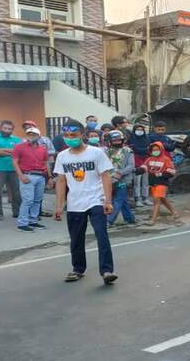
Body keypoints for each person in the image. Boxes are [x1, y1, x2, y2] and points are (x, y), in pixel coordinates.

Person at [53, 119, 118, 285]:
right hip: (74, 203)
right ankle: (78, 269)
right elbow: (61, 181)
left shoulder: (96, 153)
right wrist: (59, 206)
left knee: (101, 235)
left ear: (82, 134)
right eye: (66, 135)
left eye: (73, 135)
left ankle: (106, 271)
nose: (69, 138)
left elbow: (105, 176)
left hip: (96, 200)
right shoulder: (62, 156)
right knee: (76, 238)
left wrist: (108, 201)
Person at [12, 127, 50, 233]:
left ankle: (33, 221)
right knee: (28, 200)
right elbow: (15, 162)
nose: (31, 136)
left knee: (37, 200)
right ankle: (22, 223)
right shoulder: (19, 147)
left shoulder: (43, 148)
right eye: (29, 134)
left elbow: (45, 163)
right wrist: (21, 176)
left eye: (34, 134)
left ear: (39, 136)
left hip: (40, 176)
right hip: (27, 175)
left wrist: (49, 177)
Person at [137, 141, 179, 225]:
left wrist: (162, 174)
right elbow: (144, 166)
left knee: (156, 200)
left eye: (157, 149)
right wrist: (139, 170)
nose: (155, 151)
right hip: (153, 182)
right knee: (162, 199)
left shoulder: (166, 159)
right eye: (153, 150)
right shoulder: (149, 159)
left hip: (162, 182)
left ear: (161, 149)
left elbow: (172, 171)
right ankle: (174, 212)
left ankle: (153, 219)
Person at [0, 120, 21, 220]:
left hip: (14, 169)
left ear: (12, 130)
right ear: (1, 128)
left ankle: (17, 212)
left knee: (16, 192)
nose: (7, 130)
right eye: (5, 128)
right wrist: (12, 152)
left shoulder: (17, 139)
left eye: (10, 129)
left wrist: (1, 149)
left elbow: (19, 153)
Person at [22, 121, 55, 218]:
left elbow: (52, 151)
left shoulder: (45, 139)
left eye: (31, 127)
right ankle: (27, 215)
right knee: (29, 195)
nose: (29, 129)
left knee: (39, 193)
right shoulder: (23, 141)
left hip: (44, 169)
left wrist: (41, 151)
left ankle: (37, 212)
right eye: (27, 128)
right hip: (29, 171)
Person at [105, 130, 136, 226]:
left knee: (118, 200)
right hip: (109, 179)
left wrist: (120, 173)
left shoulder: (128, 151)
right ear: (110, 141)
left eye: (119, 140)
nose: (117, 142)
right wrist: (111, 174)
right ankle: (130, 218)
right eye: (114, 140)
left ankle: (109, 220)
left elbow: (131, 166)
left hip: (123, 179)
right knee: (123, 200)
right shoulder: (105, 151)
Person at [128, 123, 152, 207]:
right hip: (136, 162)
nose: (140, 131)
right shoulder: (131, 139)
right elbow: (134, 149)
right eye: (138, 130)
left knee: (146, 181)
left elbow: (149, 149)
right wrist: (144, 150)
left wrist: (142, 150)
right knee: (137, 182)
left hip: (146, 161)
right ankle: (137, 199)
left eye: (141, 130)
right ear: (134, 130)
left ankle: (145, 198)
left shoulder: (147, 138)